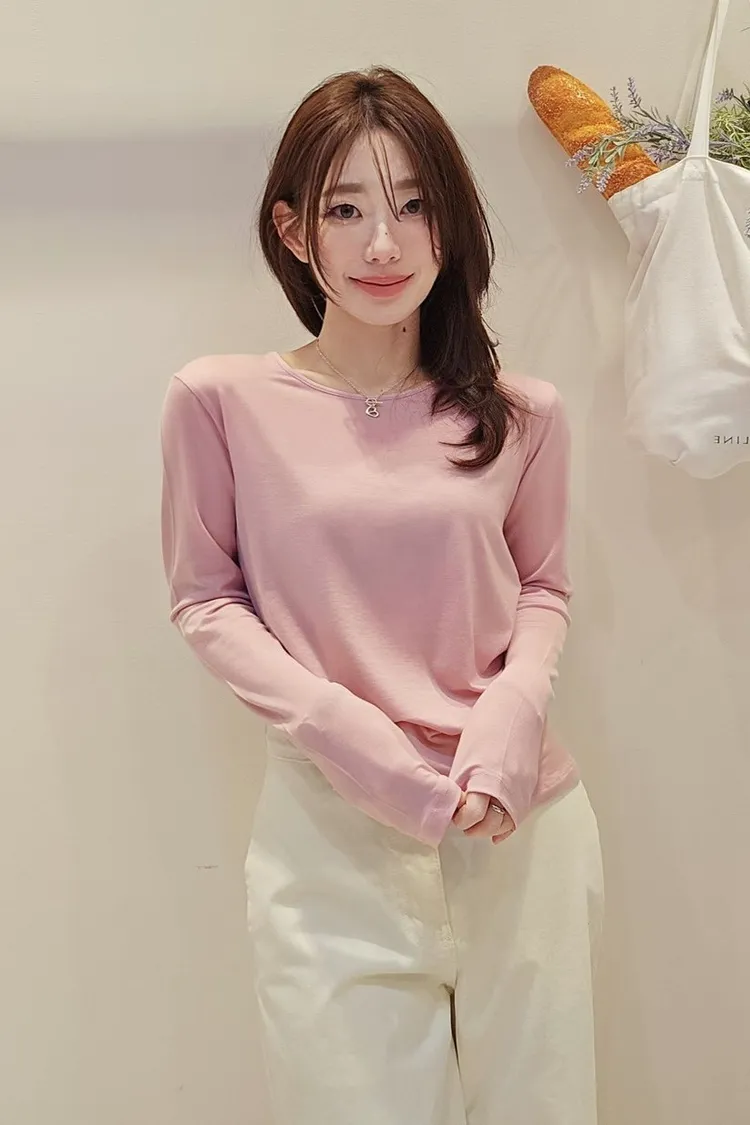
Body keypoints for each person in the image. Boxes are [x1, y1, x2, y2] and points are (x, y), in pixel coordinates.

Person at [160, 64, 604, 1125]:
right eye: (345, 209)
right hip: (331, 836)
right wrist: (339, 727)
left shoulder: (523, 414)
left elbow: (544, 586)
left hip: (516, 823)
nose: (382, 244)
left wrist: (515, 706)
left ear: (449, 225)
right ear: (292, 230)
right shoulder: (220, 401)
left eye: (412, 204)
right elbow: (206, 599)